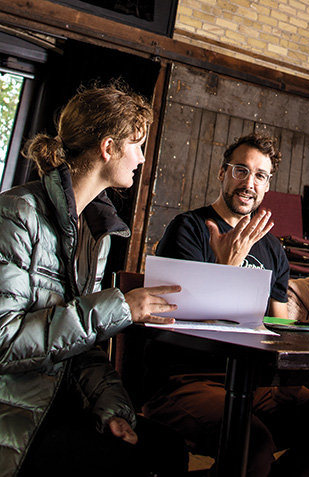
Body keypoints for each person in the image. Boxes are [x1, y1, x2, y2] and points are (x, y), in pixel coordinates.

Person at [0, 84, 189, 477]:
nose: (140, 158)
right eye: (136, 145)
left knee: (168, 450)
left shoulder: (95, 231)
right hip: (15, 415)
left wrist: (112, 409)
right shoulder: (17, 213)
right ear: (108, 148)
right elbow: (4, 343)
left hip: (62, 404)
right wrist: (120, 306)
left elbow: (80, 345)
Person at [141, 132, 309, 477]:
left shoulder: (272, 249)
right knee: (252, 444)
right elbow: (183, 322)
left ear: (267, 186)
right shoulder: (190, 229)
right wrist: (229, 268)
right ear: (222, 173)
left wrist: (300, 352)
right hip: (186, 380)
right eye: (241, 170)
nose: (248, 182)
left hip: (253, 381)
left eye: (260, 175)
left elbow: (277, 326)